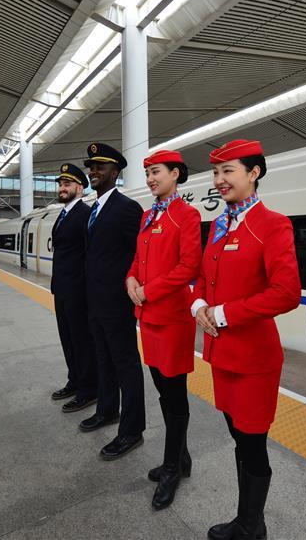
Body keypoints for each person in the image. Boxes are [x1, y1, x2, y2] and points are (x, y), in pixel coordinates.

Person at [192, 139, 301, 540]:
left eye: (228, 171)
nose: (219, 180)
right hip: (222, 354)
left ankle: (251, 526)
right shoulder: (220, 225)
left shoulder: (272, 225)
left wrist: (222, 313)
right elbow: (204, 277)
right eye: (216, 173)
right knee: (238, 438)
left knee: (253, 445)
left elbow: (287, 291)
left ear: (254, 173)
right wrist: (199, 305)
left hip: (254, 359)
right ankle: (248, 520)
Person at [125, 150, 201, 509]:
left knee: (174, 395)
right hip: (149, 319)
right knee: (162, 390)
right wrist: (130, 281)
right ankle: (181, 459)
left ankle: (172, 468)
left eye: (156, 172)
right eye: (148, 174)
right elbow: (138, 261)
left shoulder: (187, 215)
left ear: (176, 173)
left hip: (172, 320)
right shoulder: (147, 216)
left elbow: (188, 267)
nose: (151, 179)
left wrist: (148, 291)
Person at [79, 143, 146, 460]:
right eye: (91, 167)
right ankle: (108, 410)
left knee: (126, 365)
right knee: (103, 358)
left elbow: (139, 257)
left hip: (118, 303)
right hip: (95, 301)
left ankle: (132, 430)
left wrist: (133, 291)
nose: (93, 172)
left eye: (100, 167)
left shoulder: (126, 208)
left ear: (115, 172)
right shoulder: (94, 208)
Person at [50, 163, 98, 414]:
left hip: (78, 291)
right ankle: (75, 380)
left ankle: (89, 389)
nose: (62, 188)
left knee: (81, 341)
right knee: (68, 338)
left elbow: (90, 254)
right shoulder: (64, 213)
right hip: (62, 289)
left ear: (80, 188)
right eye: (60, 184)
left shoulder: (85, 214)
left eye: (67, 184)